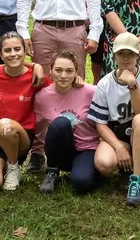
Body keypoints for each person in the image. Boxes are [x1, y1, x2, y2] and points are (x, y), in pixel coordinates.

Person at [88, 33, 140, 207]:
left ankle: (137, 180)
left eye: (130, 53)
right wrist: (118, 148)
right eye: (121, 53)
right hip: (118, 133)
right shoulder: (105, 83)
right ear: (113, 56)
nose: (125, 58)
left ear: (138, 55)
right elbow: (100, 124)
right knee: (104, 164)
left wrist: (132, 85)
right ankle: (127, 161)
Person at [0, 32, 49, 194]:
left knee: (5, 125)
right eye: (7, 51)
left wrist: (35, 65)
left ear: (25, 51)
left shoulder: (35, 77)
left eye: (17, 49)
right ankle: (3, 164)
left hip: (19, 138)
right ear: (0, 54)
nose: (13, 54)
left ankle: (14, 166)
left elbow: (59, 89)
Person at [34, 50, 100, 194]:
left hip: (86, 148)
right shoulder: (41, 97)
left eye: (69, 71)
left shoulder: (91, 92)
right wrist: (36, 153)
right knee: (60, 123)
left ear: (77, 71)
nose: (63, 76)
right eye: (58, 70)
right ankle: (52, 171)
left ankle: (89, 171)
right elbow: (38, 129)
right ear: (50, 70)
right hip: (60, 150)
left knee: (81, 183)